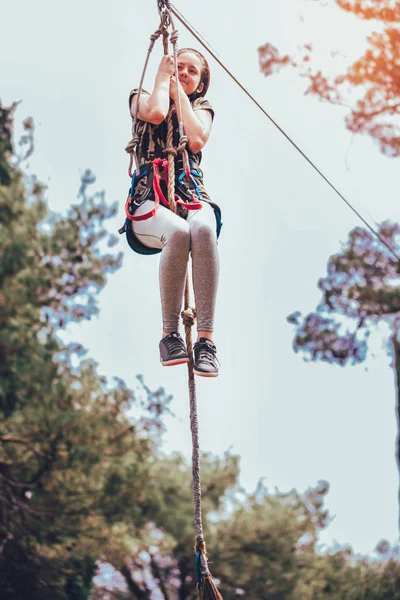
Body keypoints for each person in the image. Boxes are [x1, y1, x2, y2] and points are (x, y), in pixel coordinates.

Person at [127, 48, 221, 377]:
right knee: (179, 234)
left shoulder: (200, 108)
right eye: (178, 67)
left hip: (191, 196)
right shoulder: (139, 95)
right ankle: (170, 336)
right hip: (150, 203)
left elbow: (196, 139)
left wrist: (177, 90)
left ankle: (206, 341)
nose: (183, 73)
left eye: (191, 71)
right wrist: (161, 78)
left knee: (204, 230)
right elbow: (153, 113)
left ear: (200, 83)